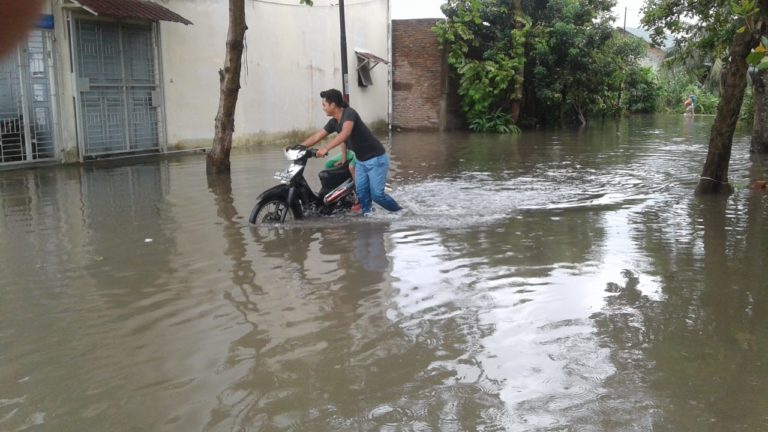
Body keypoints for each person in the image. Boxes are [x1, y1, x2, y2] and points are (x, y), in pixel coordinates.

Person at [301, 89, 403, 216]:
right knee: (362, 194)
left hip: (376, 159)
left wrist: (326, 148)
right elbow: (318, 136)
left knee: (377, 196)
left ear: (333, 105)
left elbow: (345, 133)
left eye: (324, 105)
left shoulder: (349, 114)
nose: (323, 108)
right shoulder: (334, 122)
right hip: (360, 161)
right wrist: (299, 146)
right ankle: (368, 217)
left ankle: (400, 213)